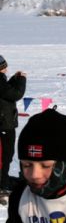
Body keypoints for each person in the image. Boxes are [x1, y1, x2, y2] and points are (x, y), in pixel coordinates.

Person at [0, 56, 26, 204]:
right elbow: (16, 94)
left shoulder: (1, 80)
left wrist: (14, 80)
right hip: (4, 126)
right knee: (4, 157)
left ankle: (3, 183)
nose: (6, 69)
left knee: (6, 156)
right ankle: (2, 186)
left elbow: (6, 91)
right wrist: (21, 80)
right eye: (4, 67)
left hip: (5, 124)